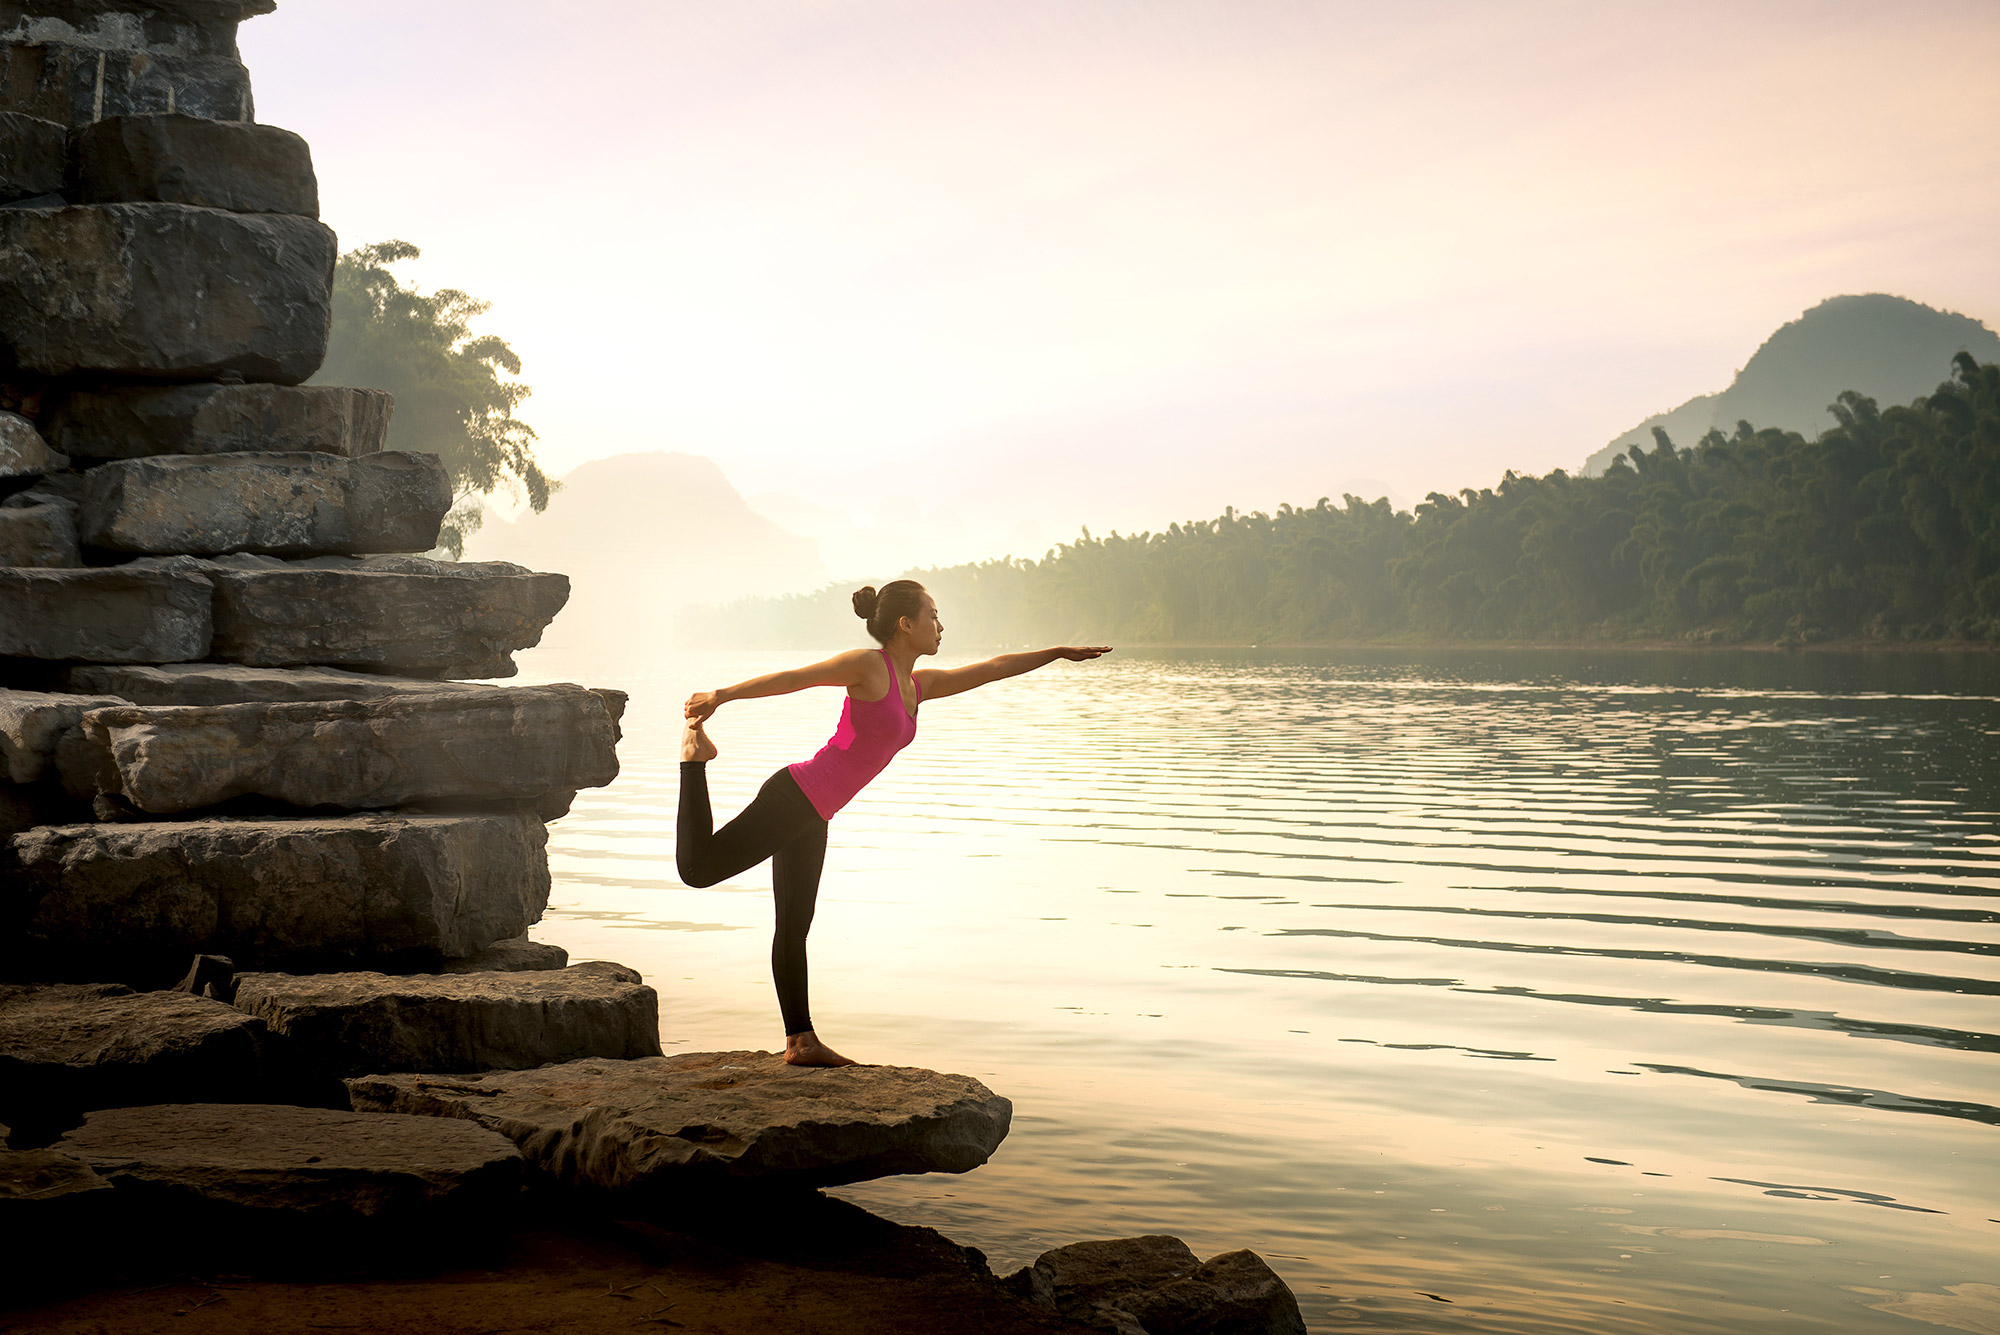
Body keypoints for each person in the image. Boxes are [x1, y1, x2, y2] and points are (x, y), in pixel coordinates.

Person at [679, 579, 1111, 1066]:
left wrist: (1056, 653)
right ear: (906, 624)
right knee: (698, 871)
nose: (940, 625)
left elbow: (991, 670)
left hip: (816, 813)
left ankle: (800, 1042)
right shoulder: (869, 666)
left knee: (795, 926)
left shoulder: (918, 686)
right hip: (794, 795)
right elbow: (796, 678)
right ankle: (694, 758)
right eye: (933, 615)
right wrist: (721, 695)